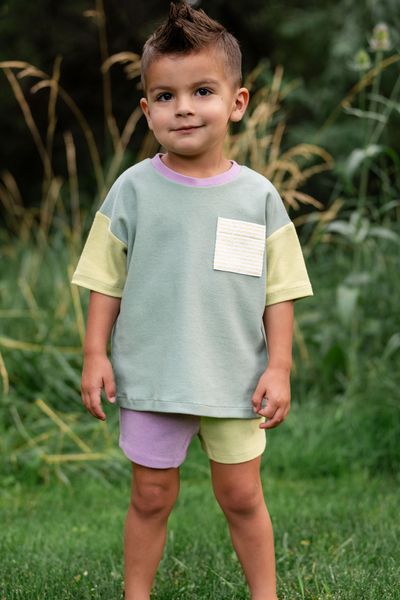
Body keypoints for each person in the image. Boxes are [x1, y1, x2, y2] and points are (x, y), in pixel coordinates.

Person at [71, 3, 313, 599]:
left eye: (202, 90)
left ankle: (265, 594)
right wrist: (95, 353)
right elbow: (107, 279)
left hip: (235, 377)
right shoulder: (132, 189)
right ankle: (136, 594)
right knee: (151, 495)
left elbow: (279, 291)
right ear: (146, 109)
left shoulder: (258, 198)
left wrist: (278, 366)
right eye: (164, 95)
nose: (183, 107)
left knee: (242, 495)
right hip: (153, 374)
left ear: (237, 103)